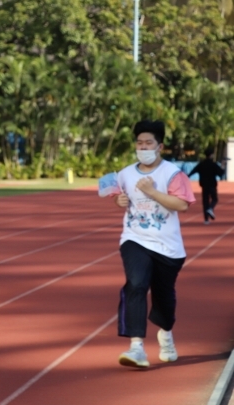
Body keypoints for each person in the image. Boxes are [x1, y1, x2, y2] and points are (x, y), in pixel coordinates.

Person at [112, 120, 195, 368]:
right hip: (135, 238)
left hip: (167, 246)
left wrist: (152, 191)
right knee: (136, 284)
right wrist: (119, 201)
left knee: (164, 297)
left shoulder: (172, 173)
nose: (143, 147)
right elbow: (118, 196)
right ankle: (136, 347)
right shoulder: (125, 174)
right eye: (139, 143)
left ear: (160, 146)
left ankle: (166, 334)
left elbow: (182, 204)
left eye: (148, 143)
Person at [187, 147, 226, 225]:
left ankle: (206, 220)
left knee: (205, 202)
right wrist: (223, 165)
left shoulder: (201, 164)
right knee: (214, 199)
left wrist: (187, 177)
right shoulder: (213, 164)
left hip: (204, 185)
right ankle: (210, 208)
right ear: (211, 155)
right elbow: (221, 173)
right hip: (212, 185)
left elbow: (192, 171)